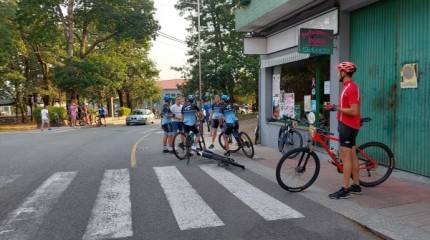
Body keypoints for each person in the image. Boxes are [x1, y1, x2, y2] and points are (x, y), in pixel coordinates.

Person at [325, 61, 361, 199]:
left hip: (348, 126)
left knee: (346, 159)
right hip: (347, 124)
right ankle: (356, 186)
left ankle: (344, 189)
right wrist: (335, 106)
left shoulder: (351, 88)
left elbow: (354, 110)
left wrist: (337, 108)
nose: (337, 74)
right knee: (352, 156)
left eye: (339, 71)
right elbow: (347, 106)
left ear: (344, 73)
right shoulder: (347, 87)